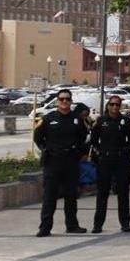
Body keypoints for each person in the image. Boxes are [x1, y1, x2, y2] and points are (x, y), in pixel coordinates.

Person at [33, 89, 89, 236]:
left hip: (71, 161)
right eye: (62, 99)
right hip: (53, 162)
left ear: (71, 101)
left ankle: (72, 225)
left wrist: (81, 153)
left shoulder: (77, 119)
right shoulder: (48, 118)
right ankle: (45, 227)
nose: (64, 101)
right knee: (49, 196)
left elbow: (85, 138)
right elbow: (37, 138)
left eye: (67, 99)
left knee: (71, 196)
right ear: (57, 101)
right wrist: (45, 150)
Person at [90, 96, 130, 234]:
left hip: (121, 160)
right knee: (102, 193)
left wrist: (126, 149)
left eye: (117, 105)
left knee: (123, 193)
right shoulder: (101, 121)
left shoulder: (126, 121)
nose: (115, 107)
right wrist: (99, 152)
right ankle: (98, 225)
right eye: (112, 104)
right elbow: (93, 139)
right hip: (105, 160)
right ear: (108, 106)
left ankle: (125, 223)